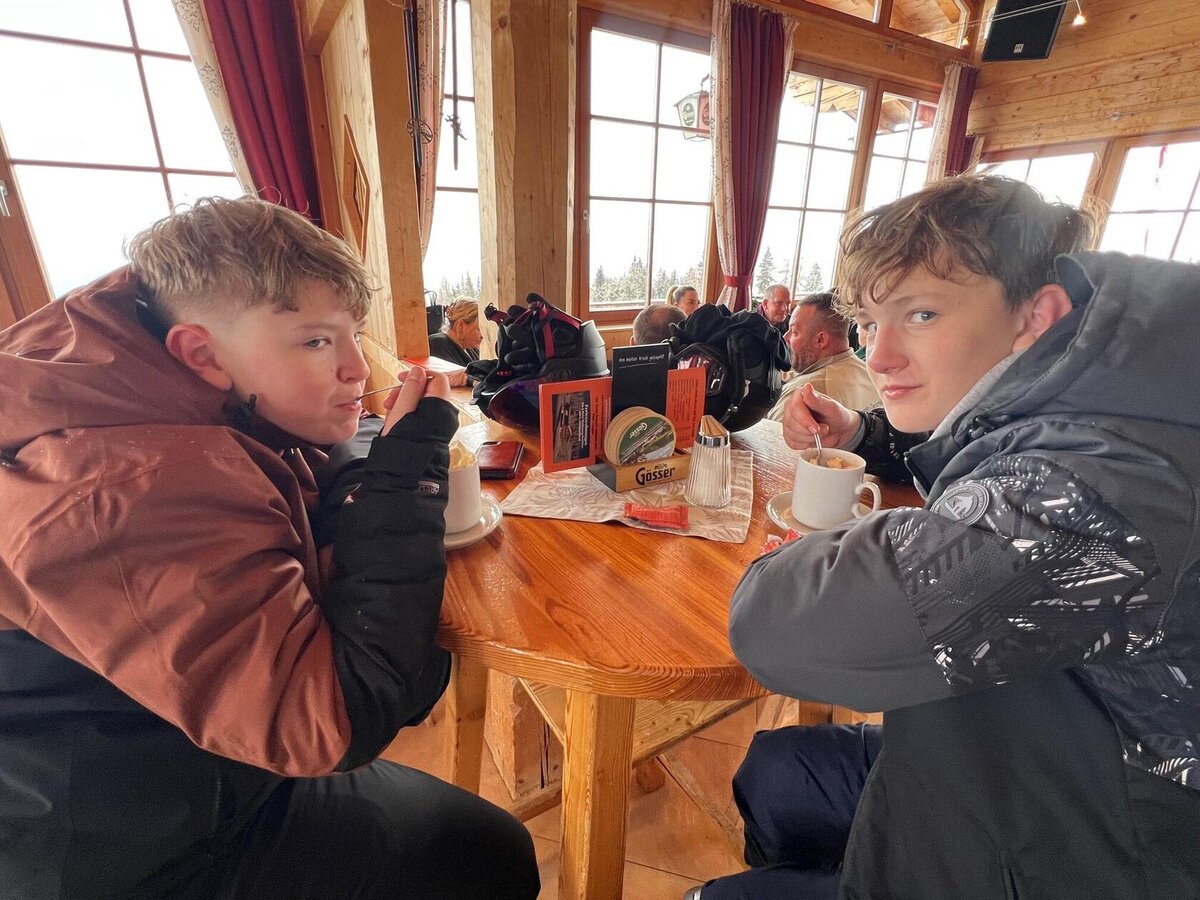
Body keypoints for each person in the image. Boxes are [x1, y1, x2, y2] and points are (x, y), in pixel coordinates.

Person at [0, 197, 540, 900]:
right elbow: (333, 719)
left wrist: (374, 453)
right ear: (201, 353)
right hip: (121, 841)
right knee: (486, 859)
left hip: (199, 758)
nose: (355, 367)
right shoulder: (129, 485)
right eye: (315, 342)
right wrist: (407, 467)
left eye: (353, 334)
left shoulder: (155, 373)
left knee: (482, 843)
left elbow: (317, 476)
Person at [693, 175, 1200, 898]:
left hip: (1079, 846)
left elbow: (773, 627)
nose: (879, 356)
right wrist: (864, 433)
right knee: (776, 772)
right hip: (1007, 748)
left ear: (1037, 316)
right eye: (871, 324)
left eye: (922, 314)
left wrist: (826, 548)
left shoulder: (1101, 492)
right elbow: (993, 439)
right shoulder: (1116, 396)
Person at [764, 291, 879, 422]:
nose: (785, 338)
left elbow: (770, 435)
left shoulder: (805, 394)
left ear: (820, 339)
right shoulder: (869, 373)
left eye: (794, 332)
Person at [428, 297, 482, 386]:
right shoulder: (438, 344)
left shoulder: (472, 349)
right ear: (460, 326)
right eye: (480, 329)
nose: (483, 336)